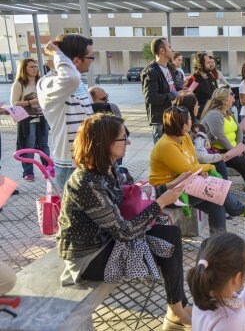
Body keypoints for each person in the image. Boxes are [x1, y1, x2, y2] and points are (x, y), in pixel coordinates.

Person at [56, 114, 192, 329]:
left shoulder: (111, 169)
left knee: (170, 234)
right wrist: (161, 203)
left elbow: (134, 195)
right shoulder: (85, 182)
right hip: (88, 257)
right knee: (167, 239)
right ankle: (176, 310)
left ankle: (177, 306)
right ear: (103, 142)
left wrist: (169, 186)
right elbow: (125, 232)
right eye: (122, 138)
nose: (128, 142)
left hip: (108, 241)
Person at [149, 106, 245, 231]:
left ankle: (217, 244)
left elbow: (194, 161)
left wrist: (201, 172)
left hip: (185, 182)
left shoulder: (184, 137)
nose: (192, 121)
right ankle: (236, 209)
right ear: (183, 125)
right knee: (218, 190)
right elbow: (188, 168)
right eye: (190, 119)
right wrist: (208, 167)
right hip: (167, 191)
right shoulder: (166, 145)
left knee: (217, 205)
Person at [38, 35, 94, 191]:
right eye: (91, 57)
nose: (92, 60)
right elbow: (70, 78)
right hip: (70, 164)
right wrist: (57, 53)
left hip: (87, 159)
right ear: (76, 60)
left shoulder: (78, 82)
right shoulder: (48, 83)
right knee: (73, 214)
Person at [187, 232, 245, 330]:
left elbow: (228, 307)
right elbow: (229, 315)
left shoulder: (203, 298)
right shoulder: (230, 323)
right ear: (237, 278)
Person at [11, 58, 50, 182]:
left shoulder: (41, 82)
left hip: (42, 117)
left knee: (44, 145)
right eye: (31, 67)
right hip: (27, 120)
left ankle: (48, 168)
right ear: (24, 69)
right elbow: (14, 103)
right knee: (28, 145)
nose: (35, 69)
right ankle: (28, 172)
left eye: (35, 66)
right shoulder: (19, 84)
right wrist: (30, 102)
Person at [141, 37, 180, 143]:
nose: (172, 50)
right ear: (162, 51)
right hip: (160, 120)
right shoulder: (151, 71)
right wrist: (174, 94)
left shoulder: (169, 68)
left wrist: (181, 91)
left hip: (171, 116)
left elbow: (172, 88)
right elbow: (150, 97)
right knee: (162, 151)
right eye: (169, 47)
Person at [183, 52, 218, 118]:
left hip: (213, 114)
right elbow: (187, 99)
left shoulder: (211, 76)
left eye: (210, 62)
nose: (210, 65)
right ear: (200, 64)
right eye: (208, 63)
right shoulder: (193, 79)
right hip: (200, 117)